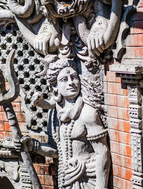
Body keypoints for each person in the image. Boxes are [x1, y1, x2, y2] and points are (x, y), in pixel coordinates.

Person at [21, 59, 111, 189]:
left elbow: (102, 153)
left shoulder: (88, 113)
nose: (71, 83)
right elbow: (59, 152)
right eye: (64, 79)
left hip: (87, 180)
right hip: (65, 179)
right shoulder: (56, 116)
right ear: (55, 87)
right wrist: (35, 147)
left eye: (74, 77)